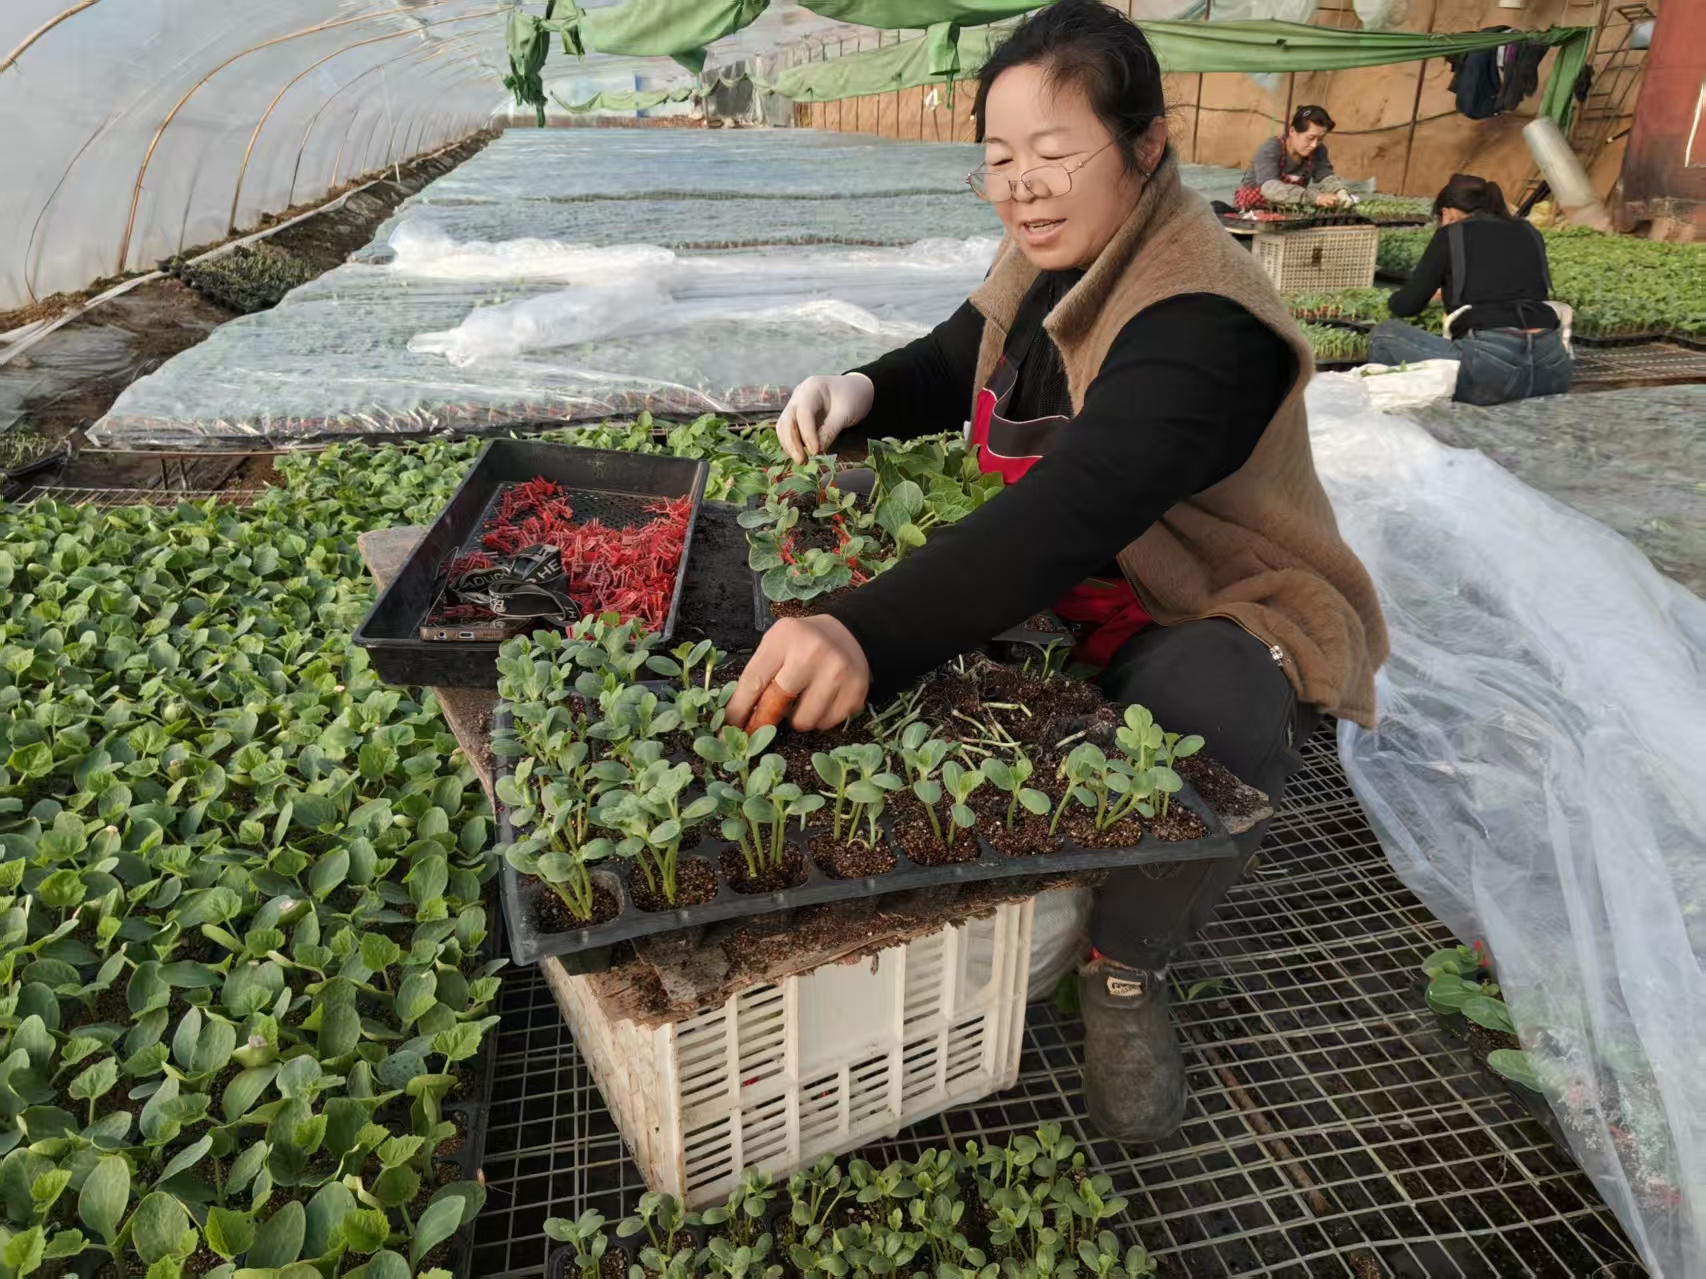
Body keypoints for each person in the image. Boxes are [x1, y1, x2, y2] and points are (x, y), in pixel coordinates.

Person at [725, 0, 1387, 1144]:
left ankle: (1123, 964)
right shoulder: (1050, 253)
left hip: (1195, 601)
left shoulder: (1199, 316)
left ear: (1144, 145)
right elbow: (960, 353)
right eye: (997, 158)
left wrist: (863, 631)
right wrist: (862, 390)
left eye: (1050, 154)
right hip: (1064, 593)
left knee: (1216, 701)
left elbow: (1075, 506)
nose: (1019, 188)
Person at [1369, 173, 1573, 405]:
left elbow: (1406, 306)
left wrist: (1403, 298)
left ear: (1448, 212)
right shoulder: (1529, 231)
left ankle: (1397, 421)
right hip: (1552, 364)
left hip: (1491, 370)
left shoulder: (1451, 234)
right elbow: (1518, 290)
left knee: (1384, 334)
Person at [1234, 106, 1355, 210]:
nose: (1314, 145)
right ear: (1292, 131)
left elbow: (1325, 176)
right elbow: (1270, 189)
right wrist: (1316, 197)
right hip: (1252, 209)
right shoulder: (1271, 149)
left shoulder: (1318, 150)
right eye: (1310, 138)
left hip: (1287, 208)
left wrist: (1340, 191)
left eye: (1320, 139)